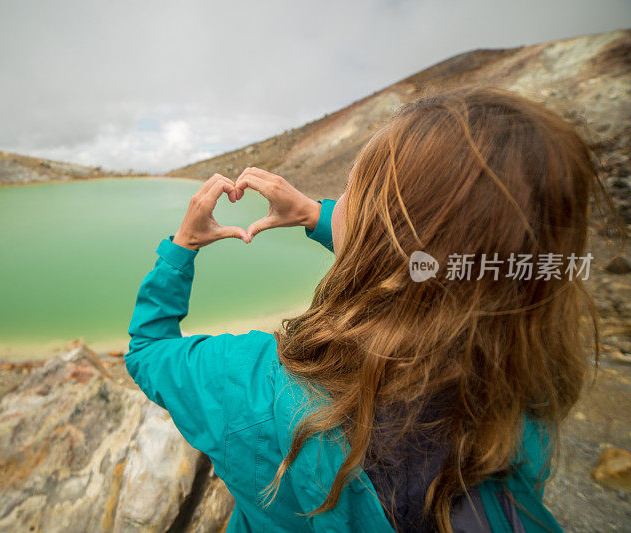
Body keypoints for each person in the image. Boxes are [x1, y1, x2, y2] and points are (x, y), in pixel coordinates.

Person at [125, 85, 616, 532]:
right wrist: (313, 216)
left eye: (351, 192)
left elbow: (148, 348)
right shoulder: (525, 399)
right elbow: (439, 268)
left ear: (374, 233)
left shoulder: (249, 382)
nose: (337, 203)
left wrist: (183, 245)